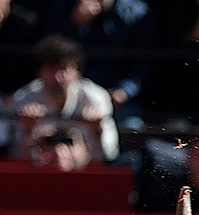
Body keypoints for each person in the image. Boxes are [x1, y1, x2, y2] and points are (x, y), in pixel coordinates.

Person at [9, 31, 118, 159]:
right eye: (51, 68)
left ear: (78, 71)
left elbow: (110, 155)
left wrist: (97, 131)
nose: (58, 77)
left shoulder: (95, 98)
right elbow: (14, 157)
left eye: (64, 68)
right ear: (39, 71)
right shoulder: (23, 99)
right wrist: (28, 132)